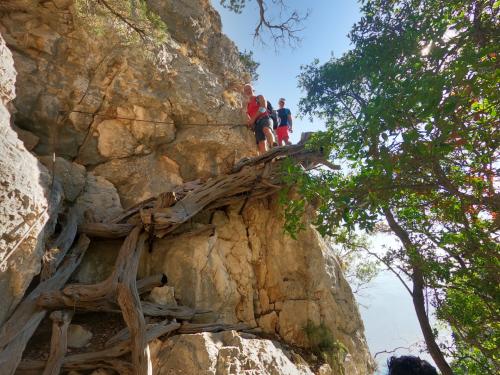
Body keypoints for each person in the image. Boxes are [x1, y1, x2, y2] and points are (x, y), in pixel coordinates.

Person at [243, 84, 275, 154]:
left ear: (253, 90)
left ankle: (274, 149)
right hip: (257, 124)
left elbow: (263, 108)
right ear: (244, 93)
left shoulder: (259, 97)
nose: (248, 91)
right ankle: (267, 160)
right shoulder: (248, 105)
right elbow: (249, 117)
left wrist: (253, 119)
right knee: (261, 143)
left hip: (265, 118)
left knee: (266, 129)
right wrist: (250, 123)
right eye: (246, 90)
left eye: (249, 89)